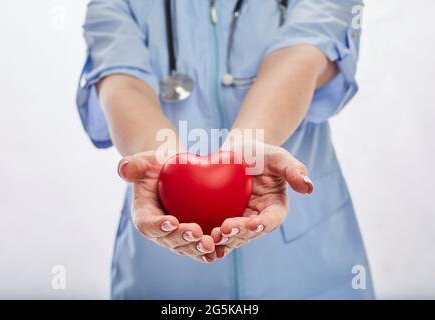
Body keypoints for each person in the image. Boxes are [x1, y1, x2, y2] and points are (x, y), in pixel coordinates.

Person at [76, 0, 374, 299]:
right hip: (163, 257)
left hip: (310, 264)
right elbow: (120, 79)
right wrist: (161, 159)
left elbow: (305, 54)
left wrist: (248, 149)